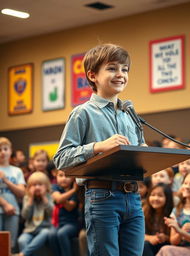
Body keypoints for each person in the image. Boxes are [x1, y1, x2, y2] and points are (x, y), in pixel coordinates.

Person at [53, 43, 146, 256]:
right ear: (92, 75)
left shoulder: (130, 113)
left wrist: (144, 153)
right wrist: (97, 147)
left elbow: (140, 151)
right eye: (112, 68)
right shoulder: (82, 113)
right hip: (102, 196)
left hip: (133, 197)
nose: (120, 74)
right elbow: (61, 158)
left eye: (125, 69)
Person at [18, 172, 54, 256]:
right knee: (21, 240)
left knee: (45, 233)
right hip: (29, 230)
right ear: (29, 187)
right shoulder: (27, 198)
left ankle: (23, 253)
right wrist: (30, 200)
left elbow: (52, 213)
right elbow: (25, 216)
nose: (37, 187)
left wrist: (44, 198)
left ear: (46, 186)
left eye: (40, 184)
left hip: (45, 228)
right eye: (34, 185)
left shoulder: (49, 196)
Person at [0, 137, 26, 250]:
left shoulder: (17, 171)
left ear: (10, 151)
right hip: (3, 208)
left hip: (13, 211)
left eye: (5, 149)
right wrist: (5, 204)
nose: (2, 152)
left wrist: (5, 180)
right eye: (0, 149)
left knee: (10, 245)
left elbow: (21, 193)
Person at [48, 169, 80, 256]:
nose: (64, 178)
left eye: (67, 176)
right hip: (58, 223)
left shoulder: (76, 193)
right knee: (51, 234)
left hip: (72, 224)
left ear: (73, 178)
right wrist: (73, 190)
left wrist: (61, 198)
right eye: (61, 175)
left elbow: (70, 207)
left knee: (62, 233)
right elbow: (58, 199)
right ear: (56, 176)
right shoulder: (54, 187)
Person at [143, 183, 173, 256]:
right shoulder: (144, 211)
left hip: (166, 245)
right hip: (149, 244)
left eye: (160, 195)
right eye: (152, 195)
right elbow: (137, 233)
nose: (155, 198)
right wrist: (150, 238)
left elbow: (176, 240)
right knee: (144, 245)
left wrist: (166, 238)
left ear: (167, 198)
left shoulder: (172, 214)